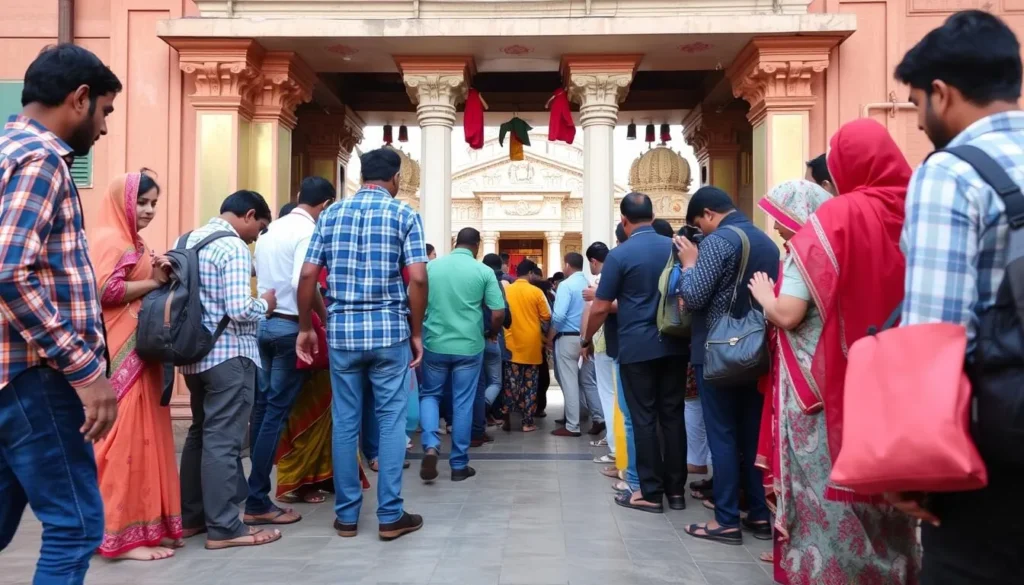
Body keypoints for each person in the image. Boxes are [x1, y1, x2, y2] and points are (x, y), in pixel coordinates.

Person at [894, 10, 1024, 584]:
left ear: (941, 94)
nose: (921, 122)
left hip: (998, 445)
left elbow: (933, 335)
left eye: (918, 102)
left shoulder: (952, 171)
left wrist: (914, 468)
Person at [0, 44, 121, 583]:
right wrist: (85, 370)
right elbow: (8, 270)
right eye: (105, 111)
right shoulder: (41, 158)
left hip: (13, 376)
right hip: (35, 375)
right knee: (75, 525)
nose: (103, 127)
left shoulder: (7, 149)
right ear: (79, 99)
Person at [296, 147, 427, 541]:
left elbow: (307, 275)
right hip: (389, 332)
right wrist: (417, 331)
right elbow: (418, 279)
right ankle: (389, 515)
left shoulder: (331, 214)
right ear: (396, 179)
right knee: (390, 421)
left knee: (345, 421)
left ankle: (347, 516)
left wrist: (306, 326)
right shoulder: (404, 214)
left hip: (343, 333)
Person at [675, 186, 779, 543]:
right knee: (751, 433)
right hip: (756, 349)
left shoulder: (719, 241)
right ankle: (760, 514)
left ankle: (726, 520)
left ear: (707, 214)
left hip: (718, 352)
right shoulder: (765, 241)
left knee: (721, 431)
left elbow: (694, 296)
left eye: (698, 225)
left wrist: (689, 265)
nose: (699, 232)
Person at [175, 190, 277, 550]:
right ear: (249, 215)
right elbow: (239, 308)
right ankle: (224, 527)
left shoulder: (186, 238)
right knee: (224, 440)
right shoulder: (232, 247)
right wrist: (264, 303)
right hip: (229, 356)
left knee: (200, 433)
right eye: (260, 227)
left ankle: (192, 518)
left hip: (193, 355)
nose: (257, 236)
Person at [90, 170, 183, 561]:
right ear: (122, 202)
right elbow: (104, 289)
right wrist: (155, 284)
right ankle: (117, 537)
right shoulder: (110, 240)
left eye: (153, 203)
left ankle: (146, 526)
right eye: (142, 202)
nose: (148, 210)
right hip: (120, 356)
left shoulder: (134, 241)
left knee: (145, 439)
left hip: (143, 353)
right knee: (121, 442)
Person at [746, 180, 834, 577]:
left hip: (803, 380)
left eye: (782, 218)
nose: (778, 227)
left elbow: (788, 315)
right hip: (819, 370)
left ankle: (804, 546)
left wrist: (765, 297)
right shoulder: (829, 246)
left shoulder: (806, 252)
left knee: (803, 464)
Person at [586, 193, 689, 514]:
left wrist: (586, 338)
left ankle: (648, 491)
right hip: (674, 344)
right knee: (672, 416)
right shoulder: (674, 248)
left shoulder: (621, 254)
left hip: (636, 347)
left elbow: (601, 306)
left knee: (643, 418)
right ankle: (675, 491)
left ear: (624, 221)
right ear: (653, 215)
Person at [246, 177, 336, 522]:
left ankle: (256, 490)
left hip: (265, 325)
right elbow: (305, 280)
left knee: (265, 409)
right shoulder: (308, 232)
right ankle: (257, 499)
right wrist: (316, 320)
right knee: (276, 414)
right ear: (325, 204)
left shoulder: (270, 231)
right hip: (289, 327)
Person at [420, 227, 505, 481]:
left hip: (435, 342)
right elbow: (498, 311)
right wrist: (491, 331)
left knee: (430, 395)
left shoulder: (432, 267)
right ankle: (458, 465)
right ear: (477, 246)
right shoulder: (483, 271)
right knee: (464, 402)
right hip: (469, 345)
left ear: (456, 242)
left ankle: (431, 445)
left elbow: (415, 299)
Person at [548, 252, 602, 437]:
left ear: (567, 265)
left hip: (567, 338)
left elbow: (559, 315)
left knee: (570, 381)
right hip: (587, 338)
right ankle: (598, 416)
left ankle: (572, 425)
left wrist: (550, 335)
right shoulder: (589, 284)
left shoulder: (566, 285)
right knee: (587, 381)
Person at [501, 259, 551, 432]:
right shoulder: (536, 292)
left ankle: (506, 415)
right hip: (532, 345)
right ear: (530, 273)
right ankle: (527, 422)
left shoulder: (507, 291)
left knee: (511, 384)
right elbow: (546, 316)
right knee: (530, 385)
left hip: (510, 344)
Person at [582, 242, 616, 463]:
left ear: (594, 261)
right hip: (614, 342)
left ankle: (615, 447)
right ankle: (612, 441)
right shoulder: (615, 274)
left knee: (609, 395)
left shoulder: (601, 280)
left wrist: (586, 340)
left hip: (606, 343)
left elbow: (596, 309)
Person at [473, 253, 511, 446]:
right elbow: (501, 312)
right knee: (495, 381)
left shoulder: (474, 280)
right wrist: (495, 332)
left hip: (474, 338)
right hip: (492, 338)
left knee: (477, 384)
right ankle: (481, 412)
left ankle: (475, 418)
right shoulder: (496, 283)